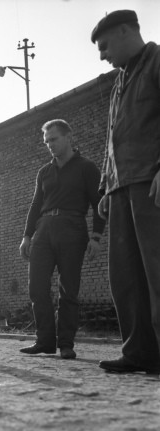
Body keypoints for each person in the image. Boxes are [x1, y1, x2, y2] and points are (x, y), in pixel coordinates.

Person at [91, 10, 160, 375]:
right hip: (119, 189)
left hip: (150, 182)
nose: (102, 55)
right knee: (126, 278)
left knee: (156, 269)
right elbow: (112, 140)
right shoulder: (119, 82)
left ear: (124, 32)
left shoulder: (157, 61)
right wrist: (106, 185)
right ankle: (139, 353)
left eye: (104, 46)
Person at [19, 120, 105, 359]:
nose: (50, 145)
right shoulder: (44, 172)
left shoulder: (87, 168)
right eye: (47, 141)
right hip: (43, 230)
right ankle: (44, 341)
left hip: (73, 228)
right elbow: (36, 205)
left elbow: (99, 204)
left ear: (69, 137)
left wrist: (96, 236)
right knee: (37, 288)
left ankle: (66, 343)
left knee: (68, 290)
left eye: (54, 139)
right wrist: (27, 236)